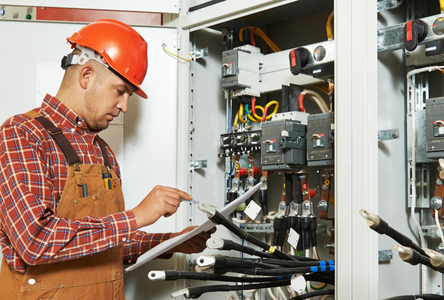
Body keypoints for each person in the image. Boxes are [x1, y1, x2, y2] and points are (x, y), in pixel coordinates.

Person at [0, 19, 214, 300]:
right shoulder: (22, 133)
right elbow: (35, 241)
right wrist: (137, 216)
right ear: (86, 75)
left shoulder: (102, 152)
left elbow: (104, 244)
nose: (124, 106)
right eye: (121, 90)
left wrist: (170, 242)